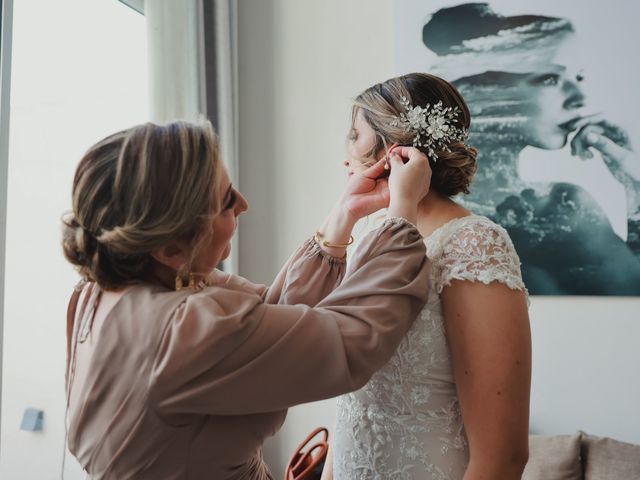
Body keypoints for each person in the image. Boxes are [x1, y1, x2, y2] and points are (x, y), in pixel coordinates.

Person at [61, 119, 433, 479]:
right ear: (172, 246)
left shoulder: (102, 292)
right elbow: (353, 338)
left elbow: (276, 318)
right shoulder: (180, 331)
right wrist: (402, 214)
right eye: (225, 201)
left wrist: (345, 214)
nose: (244, 204)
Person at [322, 73, 531, 480]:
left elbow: (502, 457)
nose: (345, 156)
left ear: (394, 151)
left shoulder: (473, 246)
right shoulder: (370, 234)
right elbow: (354, 405)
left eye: (354, 136)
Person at [421, 3, 640, 295]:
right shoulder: (559, 208)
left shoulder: (562, 206)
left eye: (579, 77)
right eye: (550, 79)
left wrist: (633, 183)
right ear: (484, 88)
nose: (580, 97)